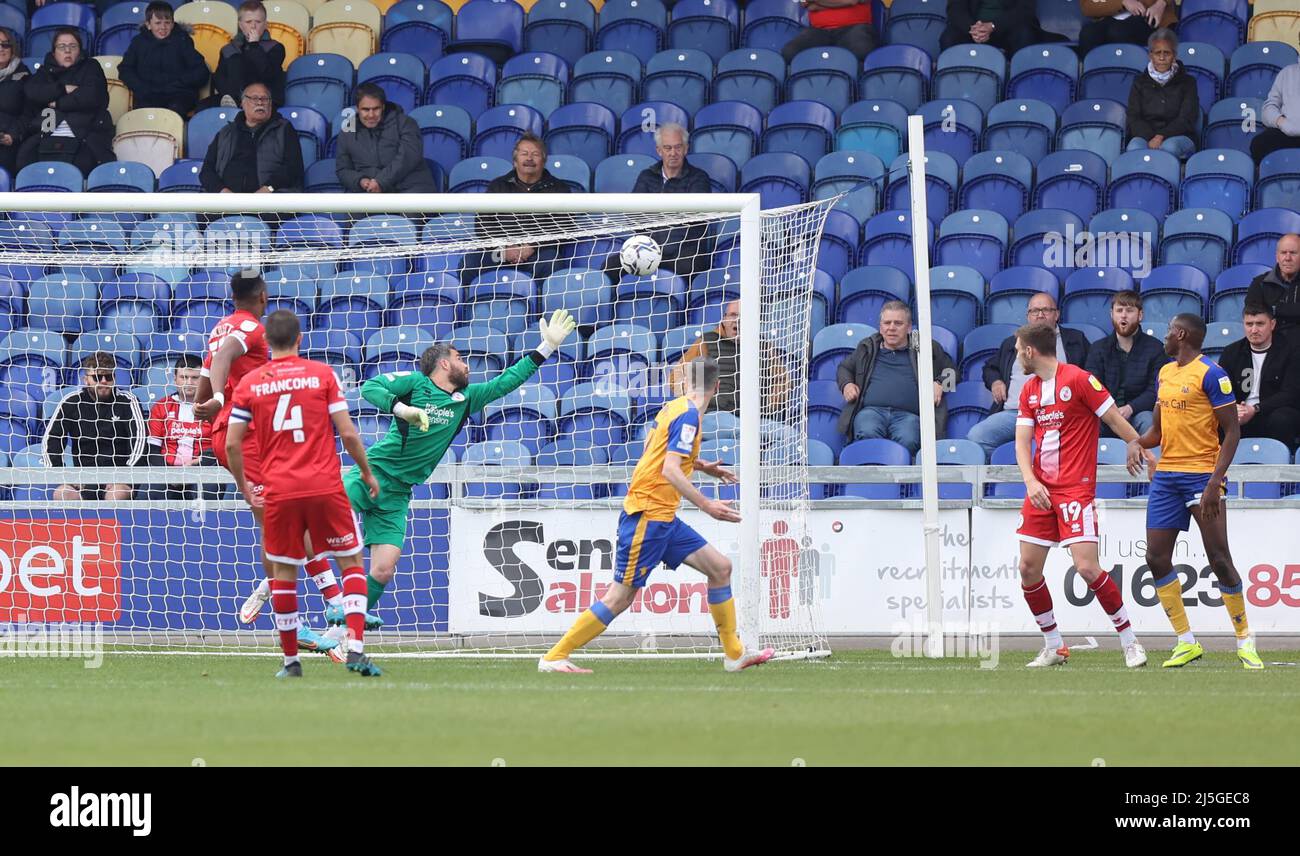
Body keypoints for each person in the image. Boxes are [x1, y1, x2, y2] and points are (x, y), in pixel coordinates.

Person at [236, 311, 580, 633]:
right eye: (461, 359)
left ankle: (341, 633)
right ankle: (269, 585)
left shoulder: (468, 399)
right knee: (312, 535)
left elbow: (508, 380)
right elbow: (371, 388)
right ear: (444, 363)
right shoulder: (416, 383)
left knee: (384, 568)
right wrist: (403, 410)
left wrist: (547, 346)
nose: (467, 365)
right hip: (370, 474)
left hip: (399, 494)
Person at [540, 357, 776, 674]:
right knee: (620, 598)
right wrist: (708, 505)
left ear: (684, 382)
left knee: (720, 567)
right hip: (647, 515)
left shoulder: (675, 407)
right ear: (717, 387)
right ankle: (555, 656)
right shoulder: (689, 415)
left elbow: (659, 452)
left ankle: (735, 654)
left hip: (664, 517)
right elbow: (669, 469)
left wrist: (703, 466)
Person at [226, 309, 382, 678]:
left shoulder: (250, 384)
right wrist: (365, 471)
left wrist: (244, 486)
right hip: (325, 485)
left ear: (265, 343)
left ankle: (291, 661)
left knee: (283, 572)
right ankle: (356, 648)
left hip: (279, 489)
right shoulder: (321, 374)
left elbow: (233, 444)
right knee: (352, 563)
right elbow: (347, 433)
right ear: (299, 340)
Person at [193, 272, 342, 658]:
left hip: (235, 434)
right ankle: (320, 609)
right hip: (247, 436)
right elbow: (225, 358)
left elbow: (207, 374)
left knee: (284, 520)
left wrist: (205, 405)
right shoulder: (248, 327)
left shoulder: (218, 327)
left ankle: (308, 610)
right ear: (263, 295)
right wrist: (223, 399)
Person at [1012, 323, 1153, 669]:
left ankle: (1130, 642)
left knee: (1088, 569)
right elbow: (1020, 442)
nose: (1016, 356)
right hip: (1041, 490)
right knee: (1028, 569)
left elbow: (1113, 417)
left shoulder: (1078, 379)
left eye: (1018, 350)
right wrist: (1031, 482)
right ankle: (1054, 645)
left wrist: (1136, 443)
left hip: (1075, 489)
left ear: (1030, 351)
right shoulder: (1029, 390)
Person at [1137, 314, 1263, 669]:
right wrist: (1136, 442)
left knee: (1219, 559)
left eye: (1167, 332)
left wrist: (1213, 483)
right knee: (1155, 557)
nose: (1163, 338)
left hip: (1201, 477)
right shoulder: (1165, 373)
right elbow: (1157, 434)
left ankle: (1245, 640)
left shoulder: (1212, 374)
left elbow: (1232, 432)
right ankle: (1186, 641)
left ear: (1181, 334)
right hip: (1166, 477)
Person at [967, 292, 1090, 460]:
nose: (1040, 315)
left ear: (1057, 314)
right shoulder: (1013, 342)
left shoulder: (1076, 339)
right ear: (1028, 316)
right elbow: (990, 367)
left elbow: (1091, 373)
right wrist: (996, 382)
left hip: (1061, 414)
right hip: (1015, 414)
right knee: (977, 438)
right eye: (1035, 311)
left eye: (1046, 310)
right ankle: (1002, 483)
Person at [835, 300, 955, 455]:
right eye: (887, 323)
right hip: (871, 412)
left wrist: (940, 383)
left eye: (898, 323)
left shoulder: (926, 347)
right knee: (867, 434)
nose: (891, 328)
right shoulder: (867, 347)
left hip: (909, 416)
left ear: (909, 327)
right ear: (880, 326)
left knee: (909, 441)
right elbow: (843, 368)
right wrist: (847, 385)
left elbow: (953, 371)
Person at [43, 352, 146, 501]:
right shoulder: (71, 402)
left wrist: (124, 477)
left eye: (108, 377)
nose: (103, 381)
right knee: (62, 493)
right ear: (86, 380)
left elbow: (139, 442)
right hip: (83, 480)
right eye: (97, 377)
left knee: (117, 495)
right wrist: (65, 476)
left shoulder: (128, 401)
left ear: (114, 379)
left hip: (118, 479)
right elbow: (51, 441)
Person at [469, 133, 569, 282]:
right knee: (470, 263)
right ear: (515, 161)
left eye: (535, 154)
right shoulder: (498, 186)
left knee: (552, 263)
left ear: (544, 161)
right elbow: (483, 224)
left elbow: (564, 225)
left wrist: (531, 246)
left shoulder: (559, 188)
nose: (529, 158)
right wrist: (506, 247)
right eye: (524, 154)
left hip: (538, 253)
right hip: (502, 252)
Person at [669, 299, 791, 417]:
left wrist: (768, 405)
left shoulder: (763, 346)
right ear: (724, 318)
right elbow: (677, 376)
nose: (737, 320)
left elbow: (782, 380)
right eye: (733, 315)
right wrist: (700, 401)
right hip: (716, 416)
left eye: (744, 316)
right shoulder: (706, 342)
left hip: (756, 420)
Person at [19, 28, 114, 175]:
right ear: (53, 52)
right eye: (62, 47)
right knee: (23, 160)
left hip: (84, 134)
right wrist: (63, 89)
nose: (67, 51)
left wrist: (56, 103)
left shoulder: (91, 66)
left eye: (73, 46)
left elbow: (92, 95)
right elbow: (33, 92)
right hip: (46, 133)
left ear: (80, 51)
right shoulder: (45, 71)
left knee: (83, 166)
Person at [629, 123, 712, 280]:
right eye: (667, 148)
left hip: (684, 250)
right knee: (611, 266)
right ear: (659, 151)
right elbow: (635, 216)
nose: (673, 153)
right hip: (648, 249)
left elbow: (694, 220)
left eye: (678, 147)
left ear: (686, 149)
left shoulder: (699, 178)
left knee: (688, 265)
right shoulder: (646, 176)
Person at [1217, 304, 1300, 451]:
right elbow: (1222, 389)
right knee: (1217, 417)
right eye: (1249, 324)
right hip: (1240, 413)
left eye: (1260, 324)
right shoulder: (1231, 352)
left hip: (1270, 412)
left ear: (1272, 324)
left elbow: (1290, 394)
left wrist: (1256, 409)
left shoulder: (1290, 351)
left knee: (1283, 419)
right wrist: (1234, 408)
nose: (1254, 330)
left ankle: (1280, 462)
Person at [1083, 290, 1164, 437]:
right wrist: (1110, 411)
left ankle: (1151, 460)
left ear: (1140, 315)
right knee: (1088, 422)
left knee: (1148, 421)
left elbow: (1156, 390)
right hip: (1106, 413)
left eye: (1129, 310)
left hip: (1139, 412)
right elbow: (1092, 386)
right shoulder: (1098, 348)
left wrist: (1130, 408)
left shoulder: (1155, 348)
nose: (1124, 315)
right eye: (1119, 310)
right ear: (1112, 314)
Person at [198, 81, 303, 193]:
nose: (260, 103)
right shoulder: (226, 132)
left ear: (270, 104)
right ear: (243, 103)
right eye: (254, 98)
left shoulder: (283, 129)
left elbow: (293, 167)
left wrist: (268, 188)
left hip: (270, 202)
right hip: (227, 204)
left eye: (265, 99)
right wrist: (222, 191)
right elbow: (206, 171)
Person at [335, 83, 436, 193]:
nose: (371, 115)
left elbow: (408, 157)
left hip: (411, 190)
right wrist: (360, 181)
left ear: (383, 106)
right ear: (357, 109)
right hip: (370, 194)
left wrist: (380, 182)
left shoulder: (406, 123)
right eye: (365, 109)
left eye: (376, 109)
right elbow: (343, 169)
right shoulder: (347, 132)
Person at [144, 354, 217, 500]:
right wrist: (170, 475)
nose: (189, 382)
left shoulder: (213, 407)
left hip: (204, 470)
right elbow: (152, 451)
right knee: (150, 493)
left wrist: (196, 466)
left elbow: (218, 449)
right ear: (175, 379)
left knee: (208, 491)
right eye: (184, 377)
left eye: (195, 378)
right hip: (167, 472)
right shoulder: (161, 406)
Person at [118, 1, 210, 116]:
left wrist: (179, 83)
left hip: (179, 95)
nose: (163, 27)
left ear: (172, 24)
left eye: (167, 23)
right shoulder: (138, 42)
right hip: (148, 95)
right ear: (148, 24)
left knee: (173, 111)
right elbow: (125, 69)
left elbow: (201, 71)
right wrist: (141, 87)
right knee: (145, 115)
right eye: (158, 23)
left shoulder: (182, 41)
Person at [1124, 28, 1199, 161]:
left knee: (1169, 147)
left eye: (1167, 53)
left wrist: (1161, 136)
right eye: (1158, 53)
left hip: (1180, 136)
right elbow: (1133, 116)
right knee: (1134, 147)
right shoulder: (1139, 82)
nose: (1162, 57)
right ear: (1150, 55)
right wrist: (1151, 137)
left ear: (1174, 56)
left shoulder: (1188, 82)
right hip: (1145, 136)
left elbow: (1186, 118)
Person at [210, 0, 287, 109]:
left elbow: (267, 74)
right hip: (233, 97)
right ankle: (234, 102)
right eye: (248, 22)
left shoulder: (276, 47)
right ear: (240, 25)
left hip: (264, 98)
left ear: (265, 24)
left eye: (258, 22)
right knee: (202, 107)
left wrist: (254, 45)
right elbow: (220, 78)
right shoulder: (229, 49)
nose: (253, 26)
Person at [940, 0, 1055, 55]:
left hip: (1008, 28)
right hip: (973, 30)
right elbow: (955, 9)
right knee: (949, 38)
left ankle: (1016, 85)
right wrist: (972, 28)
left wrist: (993, 26)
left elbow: (1024, 11)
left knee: (1025, 35)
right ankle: (957, 83)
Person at [781, 0, 876, 64]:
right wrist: (842, 2)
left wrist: (817, 3)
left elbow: (851, 1)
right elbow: (807, 5)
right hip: (819, 31)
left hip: (854, 28)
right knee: (790, 52)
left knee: (862, 50)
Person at [1078, 0, 1176, 58]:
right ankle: (1096, 82)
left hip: (1147, 17)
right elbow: (1087, 7)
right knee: (1087, 35)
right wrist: (1123, 2)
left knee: (1118, 32)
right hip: (1108, 18)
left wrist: (1161, 4)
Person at [1243, 234, 1300, 334]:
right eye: (1283, 253)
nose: (1287, 258)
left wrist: (1274, 309)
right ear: (1277, 257)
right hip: (1271, 343)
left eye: (1293, 253)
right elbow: (1254, 313)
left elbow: (1265, 313)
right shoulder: (1260, 283)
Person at [1252, 54, 1300, 163]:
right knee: (1259, 144)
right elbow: (1268, 108)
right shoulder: (1287, 73)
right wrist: (1281, 122)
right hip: (1287, 132)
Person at [0, 28, 31, 178]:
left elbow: (29, 113)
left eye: (5, 44)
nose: (1, 48)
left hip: (7, 140)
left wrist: (13, 135)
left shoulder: (23, 76)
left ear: (12, 48)